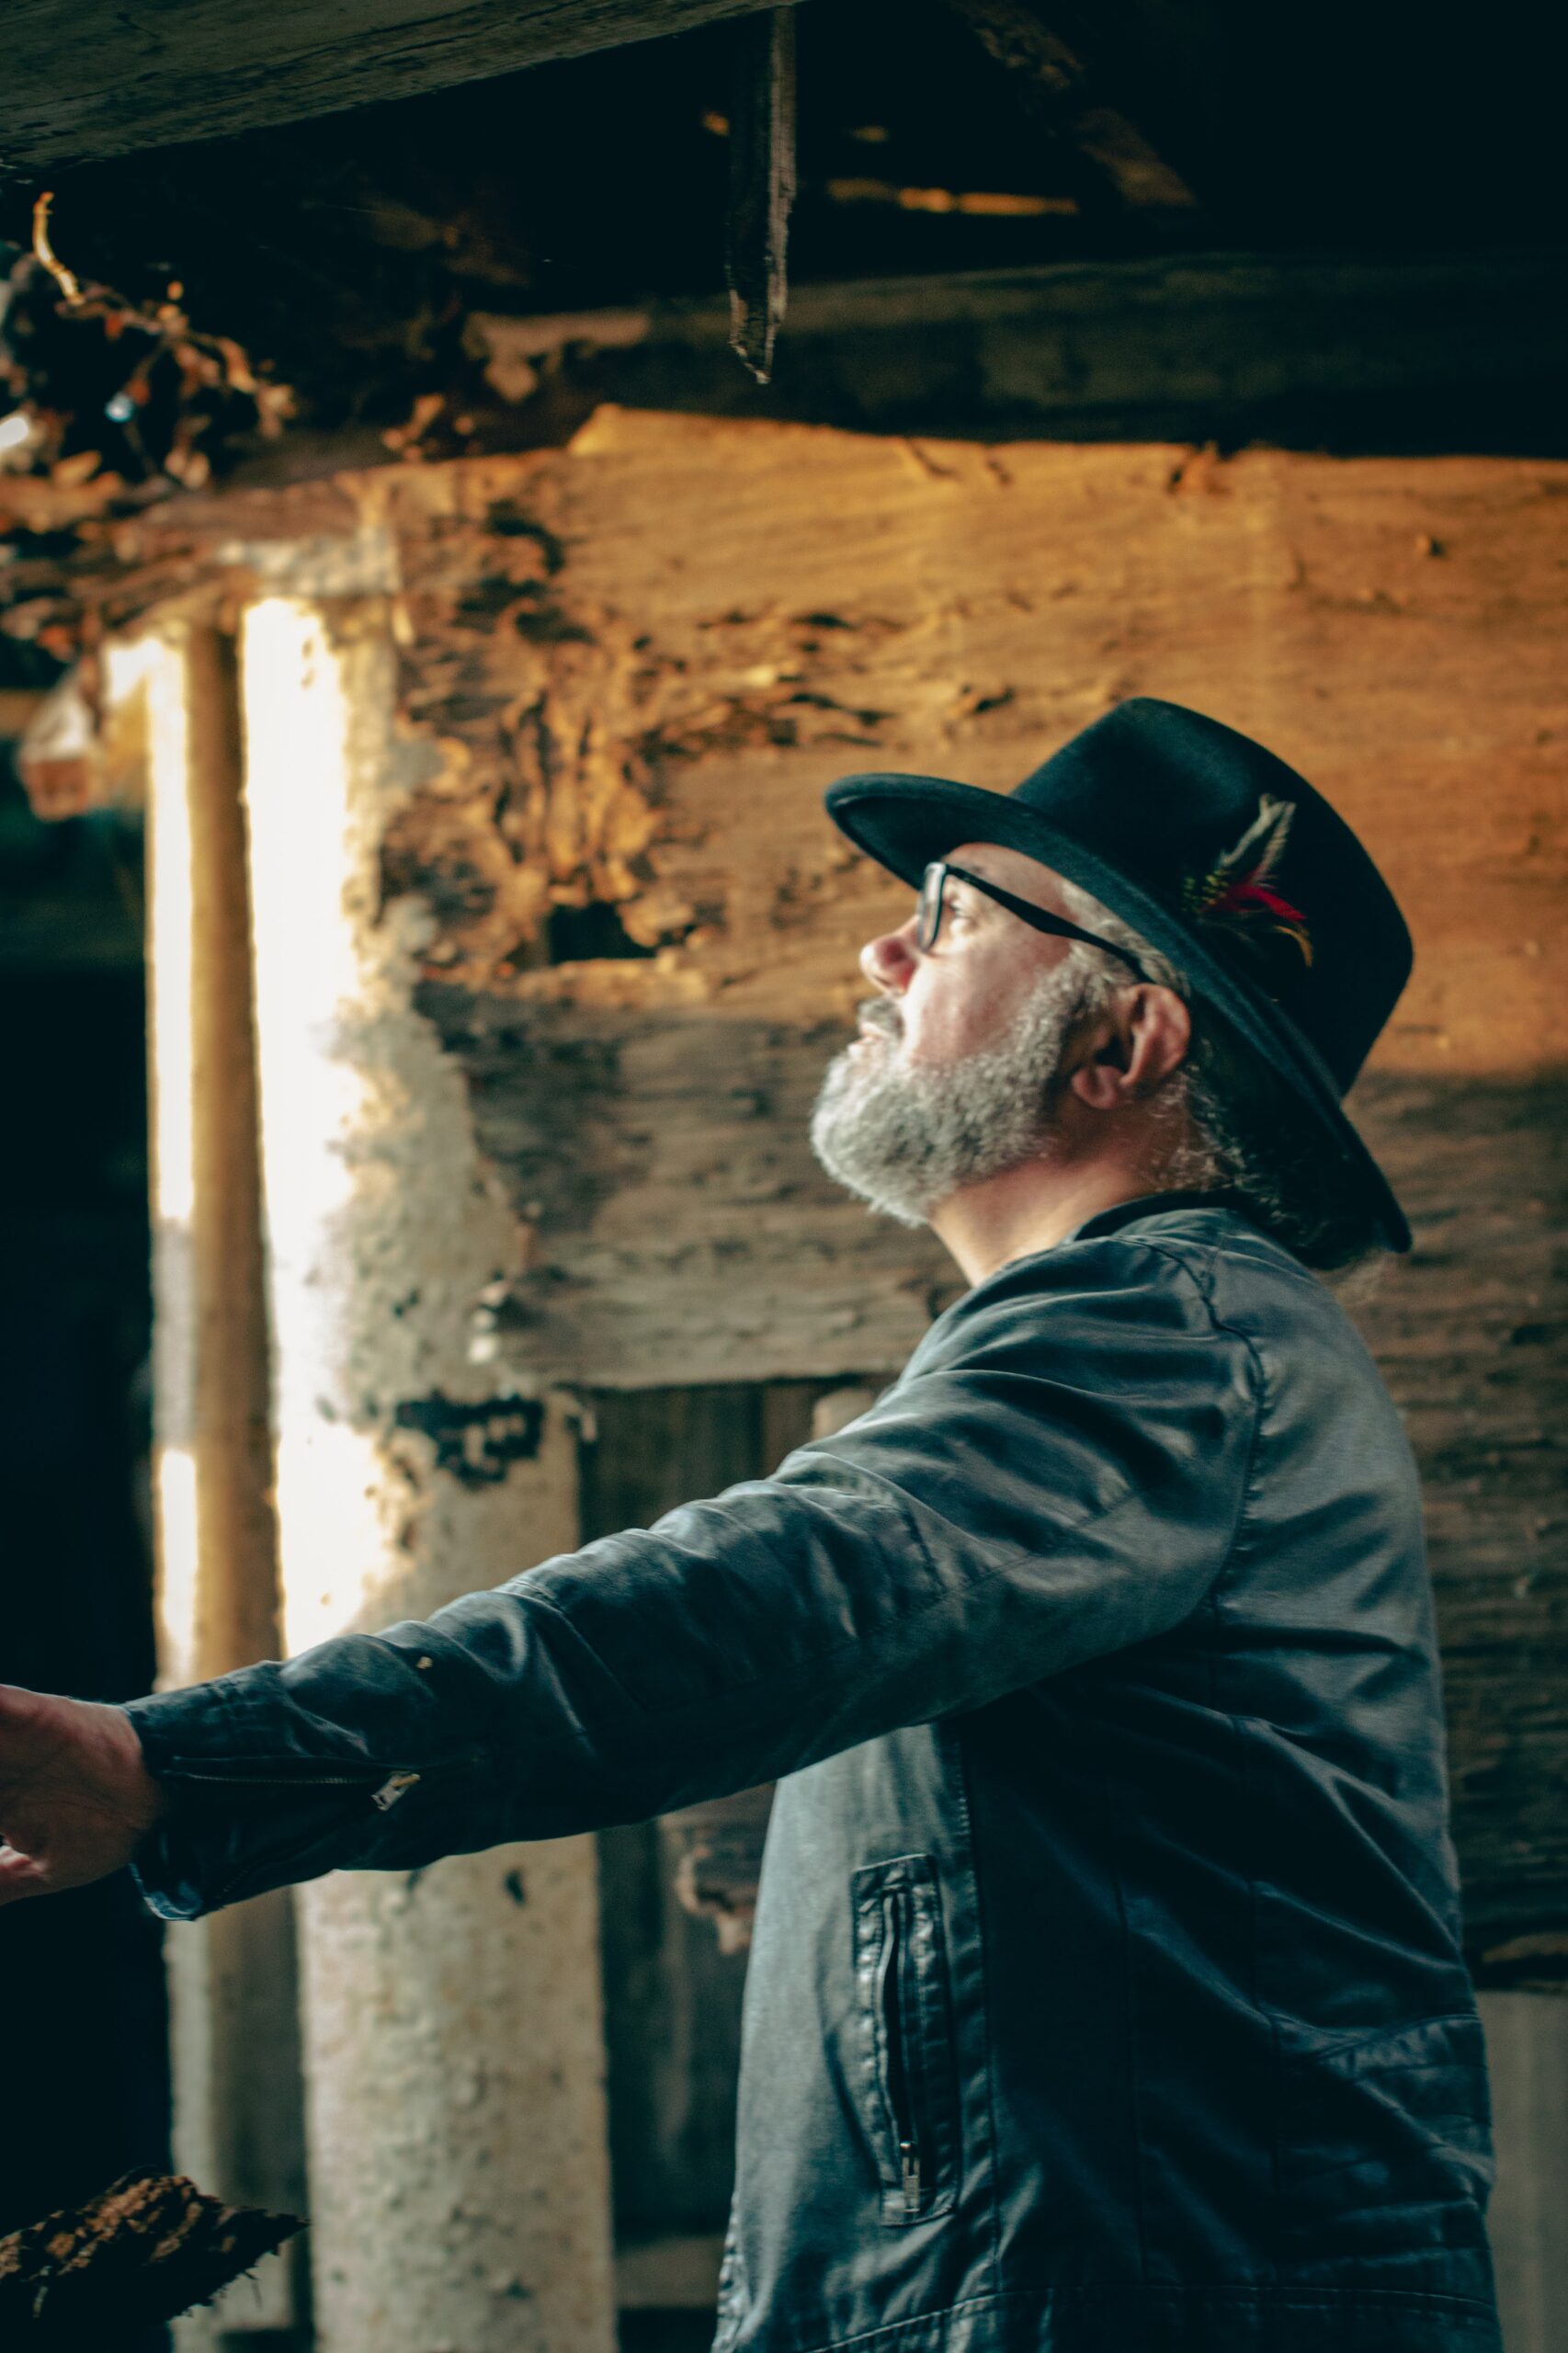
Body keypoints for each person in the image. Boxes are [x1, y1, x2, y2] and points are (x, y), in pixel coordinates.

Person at [0, 699, 1501, 2352]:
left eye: (951, 916)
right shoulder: (1162, 1339)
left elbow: (759, 1600)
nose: (880, 952)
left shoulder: (1166, 1334)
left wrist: (185, 1768)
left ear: (1121, 1045)